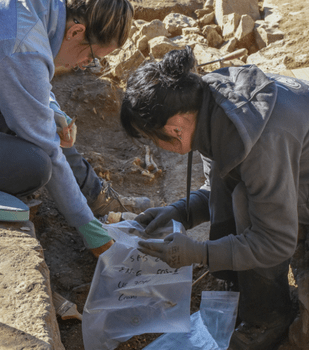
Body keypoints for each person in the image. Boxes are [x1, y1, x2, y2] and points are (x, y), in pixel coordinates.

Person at [120, 46, 309, 349]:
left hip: (298, 188)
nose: (156, 146)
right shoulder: (206, 106)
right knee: (234, 193)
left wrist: (199, 253)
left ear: (174, 128)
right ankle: (238, 288)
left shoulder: (259, 139)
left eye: (152, 138)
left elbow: (275, 241)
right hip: (292, 176)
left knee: (246, 203)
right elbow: (217, 185)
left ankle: (268, 317)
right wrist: (180, 211)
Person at [0, 0, 152, 257]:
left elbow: (32, 78)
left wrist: (55, 113)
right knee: (34, 166)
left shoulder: (41, 10)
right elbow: (47, 148)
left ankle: (95, 197)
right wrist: (88, 228)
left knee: (46, 124)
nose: (84, 65)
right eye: (91, 57)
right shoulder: (23, 43)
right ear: (75, 32)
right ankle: (93, 206)